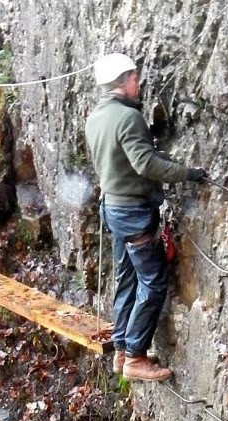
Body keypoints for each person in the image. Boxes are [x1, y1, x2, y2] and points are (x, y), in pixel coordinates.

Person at [85, 53, 208, 382]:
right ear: (123, 81)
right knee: (152, 283)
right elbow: (145, 165)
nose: (137, 84)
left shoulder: (96, 117)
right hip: (133, 212)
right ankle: (136, 357)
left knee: (126, 279)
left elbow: (123, 159)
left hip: (113, 208)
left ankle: (123, 349)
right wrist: (188, 173)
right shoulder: (127, 118)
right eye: (134, 78)